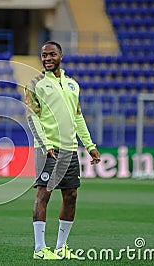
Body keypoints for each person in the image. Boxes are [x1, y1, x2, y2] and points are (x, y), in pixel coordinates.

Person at [24, 41, 101, 260]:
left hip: (69, 149)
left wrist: (90, 146)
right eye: (43, 55)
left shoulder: (72, 85)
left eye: (51, 54)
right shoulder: (35, 83)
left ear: (61, 56)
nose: (47, 58)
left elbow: (78, 117)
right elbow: (31, 116)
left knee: (71, 195)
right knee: (43, 194)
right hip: (47, 149)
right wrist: (46, 144)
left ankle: (60, 247)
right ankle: (40, 249)